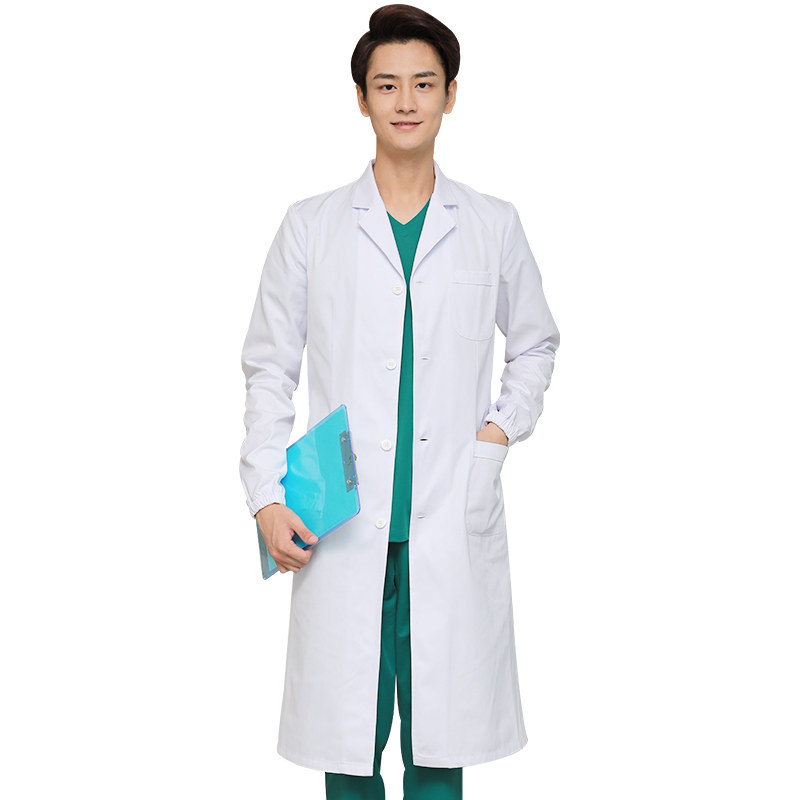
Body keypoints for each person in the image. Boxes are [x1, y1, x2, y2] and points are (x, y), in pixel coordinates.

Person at [239, 4, 560, 798]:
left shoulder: (491, 223)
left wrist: (499, 431)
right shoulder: (311, 226)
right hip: (340, 516)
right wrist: (265, 498)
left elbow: (536, 343)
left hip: (450, 512)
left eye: (424, 83)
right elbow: (269, 368)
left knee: (439, 746)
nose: (406, 101)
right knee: (347, 752)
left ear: (451, 94)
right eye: (387, 85)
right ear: (361, 99)